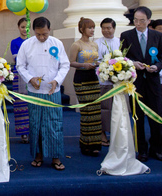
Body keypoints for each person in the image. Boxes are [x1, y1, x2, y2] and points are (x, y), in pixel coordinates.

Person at [16, 17, 70, 171]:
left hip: (53, 91)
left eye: (44, 34)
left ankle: (56, 157)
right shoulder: (27, 45)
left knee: (54, 123)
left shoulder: (57, 43)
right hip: (34, 92)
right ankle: (38, 155)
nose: (41, 37)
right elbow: (20, 66)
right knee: (36, 124)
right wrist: (30, 79)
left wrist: (57, 80)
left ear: (49, 30)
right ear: (33, 31)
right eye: (38, 34)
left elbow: (64, 65)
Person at [120, 6, 162, 162]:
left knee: (156, 116)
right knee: (137, 117)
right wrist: (133, 63)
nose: (138, 23)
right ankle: (142, 150)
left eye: (141, 21)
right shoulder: (126, 35)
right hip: (136, 83)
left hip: (153, 81)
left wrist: (157, 67)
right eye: (135, 20)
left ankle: (156, 149)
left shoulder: (157, 36)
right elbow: (122, 58)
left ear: (148, 21)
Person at [68, 17, 101, 156]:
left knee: (95, 112)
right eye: (90, 27)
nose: (92, 30)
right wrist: (84, 65)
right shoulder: (77, 45)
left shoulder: (95, 45)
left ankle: (95, 144)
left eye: (93, 27)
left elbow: (97, 59)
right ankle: (85, 143)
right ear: (82, 29)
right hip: (81, 78)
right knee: (86, 112)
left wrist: (98, 64)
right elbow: (71, 62)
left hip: (93, 77)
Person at [95, 17, 120, 147]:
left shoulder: (120, 42)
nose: (106, 30)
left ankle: (117, 135)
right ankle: (103, 134)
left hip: (118, 83)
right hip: (103, 81)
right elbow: (96, 62)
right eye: (103, 28)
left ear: (114, 28)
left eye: (109, 28)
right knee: (104, 108)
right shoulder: (97, 43)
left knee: (118, 108)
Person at [10, 17, 29, 143]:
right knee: (21, 104)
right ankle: (23, 133)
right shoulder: (14, 42)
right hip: (20, 75)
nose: (24, 30)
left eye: (26, 27)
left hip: (34, 74)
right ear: (18, 28)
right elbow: (17, 60)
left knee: (33, 104)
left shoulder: (34, 41)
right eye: (22, 27)